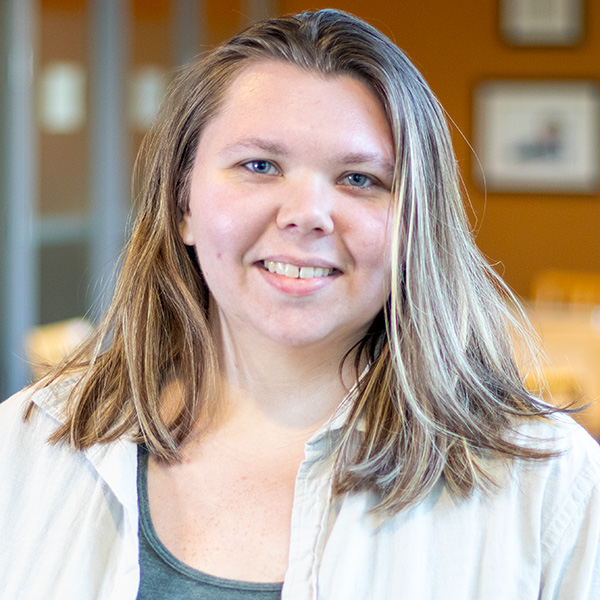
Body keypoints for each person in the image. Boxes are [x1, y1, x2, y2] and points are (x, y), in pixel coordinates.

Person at [1, 9, 599, 599]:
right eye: (259, 166)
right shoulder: (25, 447)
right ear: (183, 203)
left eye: (360, 179)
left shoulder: (549, 486)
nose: (307, 214)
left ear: (415, 220)